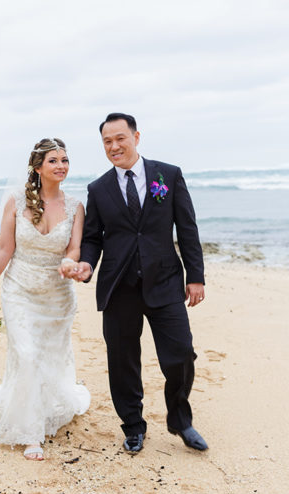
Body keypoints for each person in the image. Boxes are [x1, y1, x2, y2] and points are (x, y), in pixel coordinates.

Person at [66, 113, 208, 454]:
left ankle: (180, 420)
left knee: (180, 355)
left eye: (120, 139)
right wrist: (86, 263)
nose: (114, 147)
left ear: (136, 137)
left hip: (165, 283)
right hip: (119, 287)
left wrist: (196, 277)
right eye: (107, 142)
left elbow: (187, 229)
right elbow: (94, 237)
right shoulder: (98, 189)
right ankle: (133, 426)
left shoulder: (168, 175)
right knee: (122, 360)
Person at [0, 138, 90, 461]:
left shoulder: (76, 205)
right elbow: (4, 249)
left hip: (57, 295)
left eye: (65, 160)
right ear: (37, 167)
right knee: (27, 353)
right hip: (19, 290)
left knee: (48, 356)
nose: (61, 165)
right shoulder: (16, 202)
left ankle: (43, 406)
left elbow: (74, 249)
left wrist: (69, 263)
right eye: (53, 160)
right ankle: (31, 434)